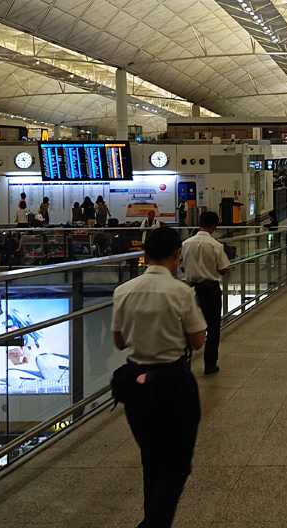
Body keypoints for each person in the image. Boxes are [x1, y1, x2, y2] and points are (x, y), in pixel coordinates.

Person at [111, 225, 205, 528]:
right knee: (176, 466)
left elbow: (119, 341)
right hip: (173, 383)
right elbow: (197, 341)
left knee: (150, 460)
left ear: (144, 253)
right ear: (177, 254)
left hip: (136, 384)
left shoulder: (123, 291)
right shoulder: (182, 292)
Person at [180, 211, 230, 376]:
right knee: (213, 328)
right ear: (214, 226)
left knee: (187, 327)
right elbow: (222, 270)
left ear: (199, 223)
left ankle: (185, 364)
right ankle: (210, 364)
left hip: (190, 289)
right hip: (211, 290)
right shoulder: (216, 245)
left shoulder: (186, 243)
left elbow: (182, 267)